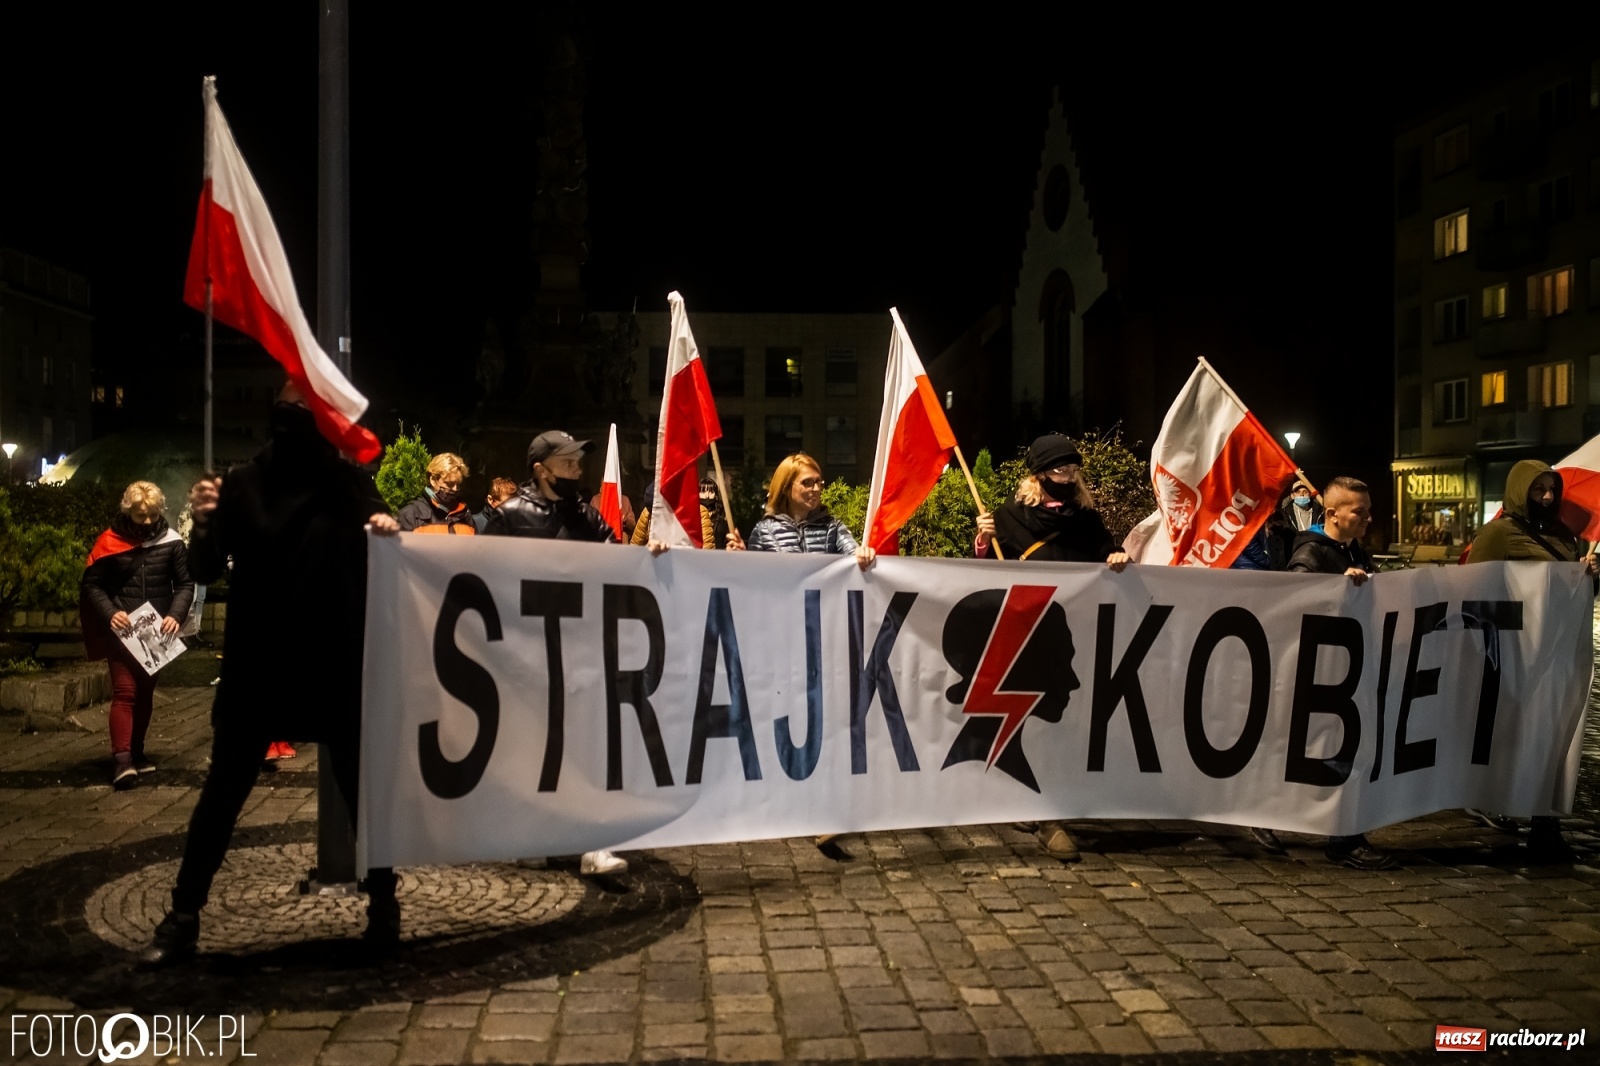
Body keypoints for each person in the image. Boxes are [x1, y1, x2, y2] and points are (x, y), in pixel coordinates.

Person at [140, 382, 402, 965]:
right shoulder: (242, 483)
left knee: (365, 795)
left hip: (334, 661)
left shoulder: (348, 481)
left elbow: (386, 539)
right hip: (260, 667)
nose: (295, 405)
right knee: (222, 795)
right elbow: (207, 567)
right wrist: (205, 522)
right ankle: (183, 915)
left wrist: (385, 529)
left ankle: (384, 906)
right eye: (288, 396)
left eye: (305, 399)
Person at [483, 429, 646, 875]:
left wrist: (653, 556)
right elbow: (483, 577)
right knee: (535, 748)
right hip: (528, 655)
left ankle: (591, 842)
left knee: (586, 745)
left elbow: (620, 560)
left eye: (578, 463)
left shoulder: (587, 518)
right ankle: (535, 832)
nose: (577, 470)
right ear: (541, 469)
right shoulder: (510, 515)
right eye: (568, 463)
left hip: (580, 651)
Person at [972, 434, 1130, 862]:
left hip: (1077, 633)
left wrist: (1116, 557)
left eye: (1073, 471)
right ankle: (1045, 816)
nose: (1068, 478)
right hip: (1031, 634)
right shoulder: (1009, 517)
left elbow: (1106, 552)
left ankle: (1047, 804)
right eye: (1060, 471)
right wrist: (984, 542)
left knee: (1070, 722)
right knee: (1036, 720)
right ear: (1039, 474)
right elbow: (987, 575)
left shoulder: (1086, 518)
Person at [1466, 459, 1597, 860]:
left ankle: (1545, 822)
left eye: (1551, 490)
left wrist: (1587, 576)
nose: (1546, 497)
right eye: (1538, 489)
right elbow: (1472, 587)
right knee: (1515, 731)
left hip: (1555, 653)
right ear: (1520, 490)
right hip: (1513, 651)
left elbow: (1574, 598)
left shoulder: (1564, 536)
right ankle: (1493, 797)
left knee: (1554, 734)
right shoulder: (1499, 533)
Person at [1284, 476, 1398, 871]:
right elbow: (1295, 602)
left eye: (1368, 510)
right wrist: (1336, 586)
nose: (1368, 518)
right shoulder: (1312, 555)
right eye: (1359, 511)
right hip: (1327, 675)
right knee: (1340, 752)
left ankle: (1341, 833)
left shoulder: (1354, 551)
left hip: (1349, 670)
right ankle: (1344, 839)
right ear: (1332, 514)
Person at [80, 481, 194, 789]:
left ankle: (138, 753)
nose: (147, 522)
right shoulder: (109, 542)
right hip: (122, 631)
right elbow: (92, 585)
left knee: (144, 693)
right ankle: (122, 761)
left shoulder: (172, 542)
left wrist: (175, 615)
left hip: (156, 633)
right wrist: (109, 613)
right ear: (127, 510)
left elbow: (185, 583)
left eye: (153, 516)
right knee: (125, 692)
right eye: (140, 516)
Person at [725, 453, 875, 569]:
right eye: (807, 483)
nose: (816, 489)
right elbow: (753, 579)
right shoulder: (764, 530)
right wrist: (741, 558)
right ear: (785, 488)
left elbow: (853, 554)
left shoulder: (833, 527)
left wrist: (862, 555)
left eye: (818, 482)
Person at [395, 453, 475, 533]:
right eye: (449, 484)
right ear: (433, 480)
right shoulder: (411, 515)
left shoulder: (464, 514)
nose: (455, 489)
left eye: (457, 484)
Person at [632, 481, 716, 548]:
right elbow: (635, 546)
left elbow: (707, 550)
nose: (657, 514)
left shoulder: (698, 512)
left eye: (660, 510)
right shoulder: (647, 513)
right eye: (653, 511)